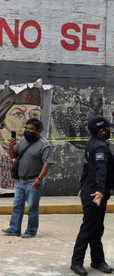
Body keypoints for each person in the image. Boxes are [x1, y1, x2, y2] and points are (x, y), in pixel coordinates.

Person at [70, 116, 114, 276]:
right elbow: (101, 171)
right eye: (107, 128)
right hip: (95, 193)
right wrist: (101, 191)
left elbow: (87, 167)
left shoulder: (93, 143)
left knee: (97, 228)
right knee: (88, 228)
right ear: (101, 130)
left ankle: (97, 260)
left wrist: (82, 186)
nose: (109, 130)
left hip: (91, 190)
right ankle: (76, 262)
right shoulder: (100, 147)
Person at [1, 117, 54, 238]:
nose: (28, 131)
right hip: (21, 180)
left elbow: (47, 163)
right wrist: (11, 146)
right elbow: (14, 155)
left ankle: (31, 230)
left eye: (31, 129)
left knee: (32, 207)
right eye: (27, 128)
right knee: (17, 205)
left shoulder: (45, 145)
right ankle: (14, 228)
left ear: (38, 131)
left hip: (34, 180)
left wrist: (39, 179)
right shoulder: (23, 141)